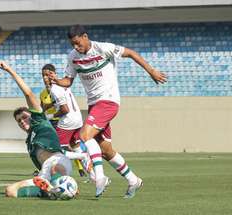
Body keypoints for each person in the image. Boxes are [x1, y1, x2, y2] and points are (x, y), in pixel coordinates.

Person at [48, 25, 167, 198]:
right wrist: (56, 80)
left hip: (108, 100)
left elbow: (131, 53)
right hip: (94, 104)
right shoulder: (73, 57)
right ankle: (134, 180)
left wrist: (152, 71)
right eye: (72, 44)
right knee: (105, 150)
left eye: (77, 43)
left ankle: (100, 177)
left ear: (85, 36)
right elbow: (68, 81)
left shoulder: (104, 48)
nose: (75, 47)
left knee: (84, 136)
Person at [0, 60, 75, 199]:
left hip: (57, 162)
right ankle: (52, 190)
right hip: (44, 173)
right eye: (19, 120)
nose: (22, 121)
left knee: (54, 169)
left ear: (32, 115)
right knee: (10, 191)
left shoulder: (40, 120)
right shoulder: (29, 141)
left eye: (25, 117)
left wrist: (9, 70)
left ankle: (62, 185)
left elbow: (28, 94)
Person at [41, 64, 93, 179]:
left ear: (54, 74)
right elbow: (61, 101)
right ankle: (94, 176)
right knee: (75, 145)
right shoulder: (62, 83)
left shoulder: (55, 88)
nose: (45, 78)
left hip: (68, 121)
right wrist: (48, 106)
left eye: (48, 74)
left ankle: (49, 176)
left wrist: (50, 115)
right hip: (77, 119)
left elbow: (65, 109)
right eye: (43, 75)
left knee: (55, 150)